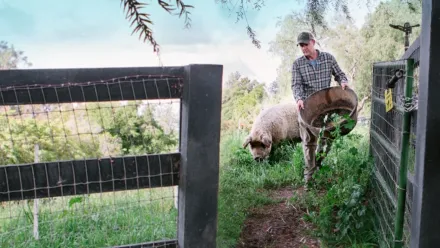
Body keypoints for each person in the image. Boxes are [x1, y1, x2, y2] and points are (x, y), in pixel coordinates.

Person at [291, 31, 349, 187]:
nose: (303, 48)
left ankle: (318, 164)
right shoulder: (297, 64)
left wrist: (343, 82)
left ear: (313, 42)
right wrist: (299, 98)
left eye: (305, 44)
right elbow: (296, 85)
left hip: (326, 108)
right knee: (309, 143)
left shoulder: (328, 58)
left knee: (327, 139)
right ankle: (309, 176)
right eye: (301, 45)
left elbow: (340, 74)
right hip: (307, 109)